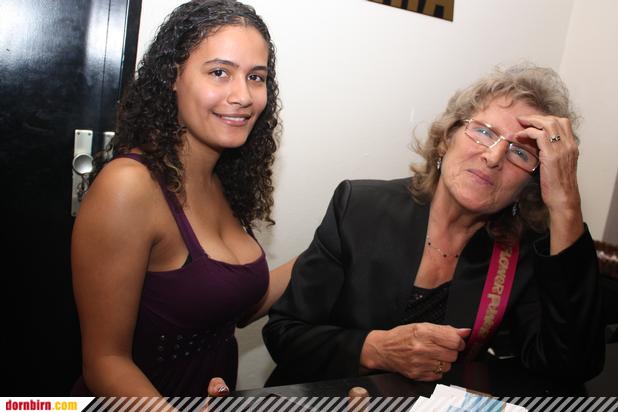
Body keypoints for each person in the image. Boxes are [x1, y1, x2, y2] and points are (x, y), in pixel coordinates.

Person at [263, 63, 605, 386]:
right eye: (484, 132)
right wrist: (376, 349)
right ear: (446, 138)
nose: (493, 157)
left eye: (520, 153)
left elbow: (570, 366)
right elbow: (285, 334)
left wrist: (566, 205)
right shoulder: (359, 207)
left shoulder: (522, 251)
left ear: (531, 184)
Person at [71, 0, 291, 396]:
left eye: (256, 77)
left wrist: (331, 244)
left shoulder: (221, 182)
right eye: (220, 72)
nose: (243, 95)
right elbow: (105, 362)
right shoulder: (130, 186)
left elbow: (226, 306)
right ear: (172, 76)